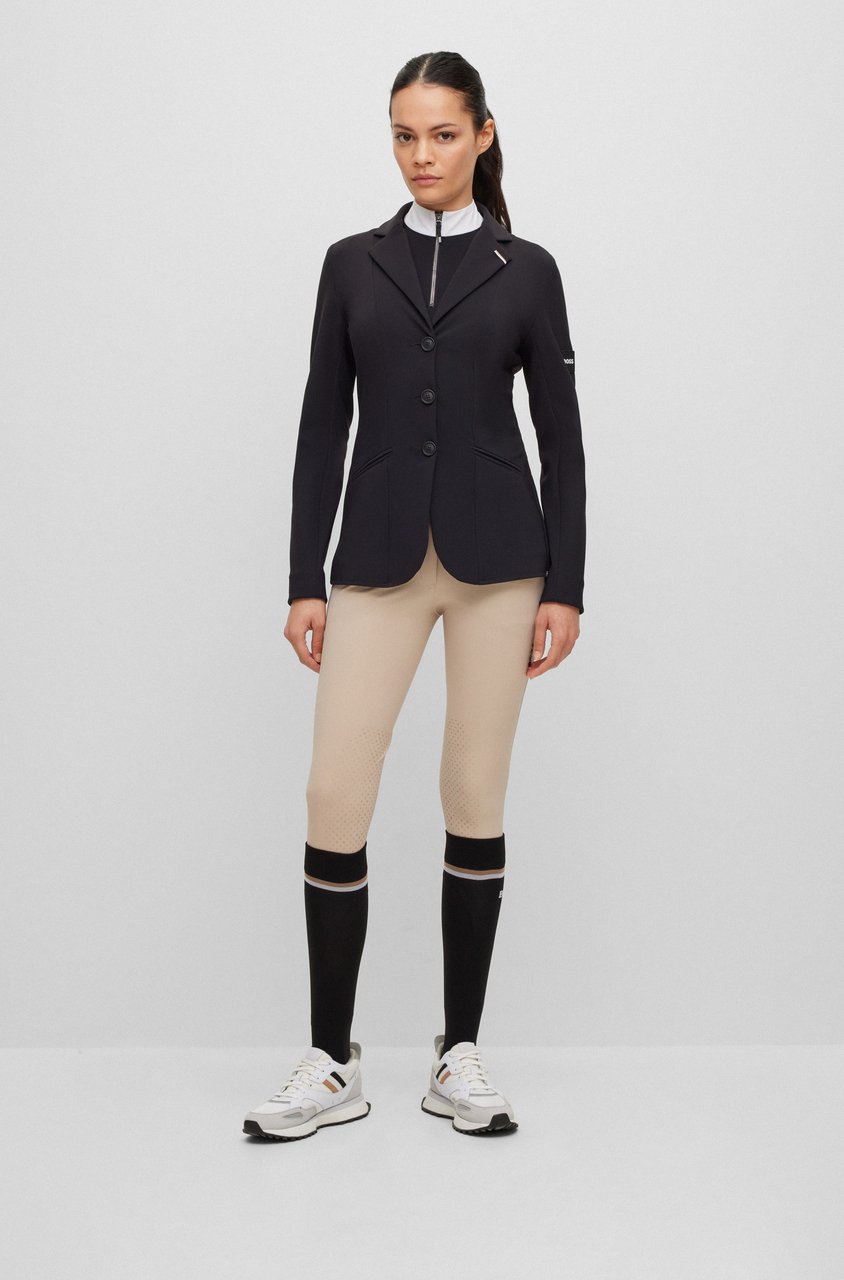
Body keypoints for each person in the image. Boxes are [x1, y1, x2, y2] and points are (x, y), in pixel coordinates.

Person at [243, 50, 586, 1142]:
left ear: (483, 133)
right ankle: (330, 1059)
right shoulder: (352, 264)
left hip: (501, 564)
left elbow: (563, 440)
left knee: (473, 792)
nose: (421, 155)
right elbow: (321, 423)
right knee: (333, 791)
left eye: (442, 134)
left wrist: (566, 585)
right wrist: (303, 576)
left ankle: (458, 1052)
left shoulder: (528, 270)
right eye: (404, 135)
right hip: (377, 557)